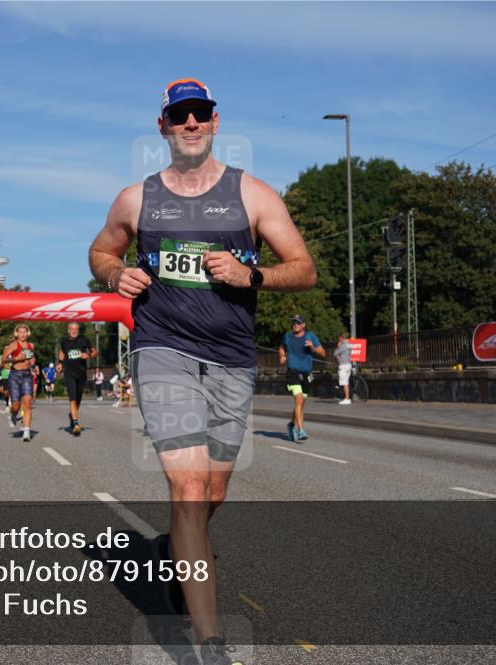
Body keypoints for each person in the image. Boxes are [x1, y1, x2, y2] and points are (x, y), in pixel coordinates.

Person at [88, 78, 316, 665]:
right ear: (162, 126)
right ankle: (211, 645)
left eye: (200, 113)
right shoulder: (136, 199)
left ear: (215, 121)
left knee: (212, 491)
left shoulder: (253, 195)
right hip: (163, 350)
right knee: (188, 488)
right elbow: (102, 250)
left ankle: (174, 551)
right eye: (179, 115)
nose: (190, 123)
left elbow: (304, 268)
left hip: (231, 360)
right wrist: (114, 274)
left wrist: (251, 276)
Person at [278, 314, 326, 442]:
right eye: (293, 322)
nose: (295, 325)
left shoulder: (310, 336)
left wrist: (312, 347)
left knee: (300, 403)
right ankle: (301, 430)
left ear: (303, 325)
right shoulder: (287, 337)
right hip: (292, 373)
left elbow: (323, 353)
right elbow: (281, 348)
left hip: (306, 374)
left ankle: (291, 424)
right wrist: (282, 356)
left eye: (298, 323)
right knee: (298, 399)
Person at [58, 322, 96, 436]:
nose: (74, 331)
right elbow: (62, 351)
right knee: (72, 398)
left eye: (76, 329)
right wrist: (60, 363)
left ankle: (72, 415)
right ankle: (75, 423)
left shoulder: (84, 340)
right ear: (68, 330)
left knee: (78, 399)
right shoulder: (64, 341)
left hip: (81, 373)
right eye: (72, 329)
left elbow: (94, 351)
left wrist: (88, 355)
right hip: (69, 373)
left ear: (78, 331)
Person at [1, 324, 36, 442]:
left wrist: (33, 364)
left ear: (28, 333)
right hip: (14, 376)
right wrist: (17, 359)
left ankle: (26, 432)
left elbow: (32, 358)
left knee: (27, 402)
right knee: (16, 405)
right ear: (16, 334)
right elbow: (3, 359)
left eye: (25, 332)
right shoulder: (13, 345)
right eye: (20, 332)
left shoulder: (31, 345)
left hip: (27, 375)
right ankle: (13, 414)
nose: (23, 334)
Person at [334, 332, 353, 405]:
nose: (338, 340)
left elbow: (335, 353)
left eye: (339, 338)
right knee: (346, 381)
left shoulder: (343, 345)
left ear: (341, 338)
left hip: (343, 365)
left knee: (344, 382)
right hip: (348, 364)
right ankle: (347, 397)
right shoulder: (349, 344)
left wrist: (338, 346)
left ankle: (347, 398)